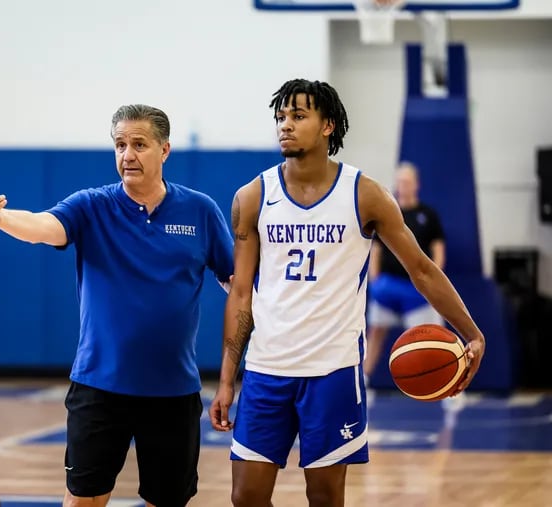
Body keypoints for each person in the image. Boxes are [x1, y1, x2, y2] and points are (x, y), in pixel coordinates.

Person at [208, 78, 485, 507]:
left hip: (333, 372)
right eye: (281, 117)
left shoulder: (366, 195)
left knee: (323, 496)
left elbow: (422, 269)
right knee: (245, 496)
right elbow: (241, 292)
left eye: (298, 116)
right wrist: (227, 379)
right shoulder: (253, 196)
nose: (286, 125)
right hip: (266, 370)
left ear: (327, 126)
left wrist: (471, 332)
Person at [0, 104, 234, 507]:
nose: (127, 155)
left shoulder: (200, 210)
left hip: (173, 392)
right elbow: (44, 227)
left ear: (165, 150)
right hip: (99, 388)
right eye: (120, 144)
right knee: (83, 501)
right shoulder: (91, 206)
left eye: (139, 144)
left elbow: (236, 283)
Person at [363, 161, 446, 386]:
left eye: (407, 182)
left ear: (416, 185)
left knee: (433, 338)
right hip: (389, 285)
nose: (403, 186)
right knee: (376, 331)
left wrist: (433, 280)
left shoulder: (427, 215)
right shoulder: (389, 212)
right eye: (400, 182)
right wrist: (375, 279)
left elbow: (438, 248)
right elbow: (376, 248)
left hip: (417, 289)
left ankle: (448, 384)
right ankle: (364, 380)